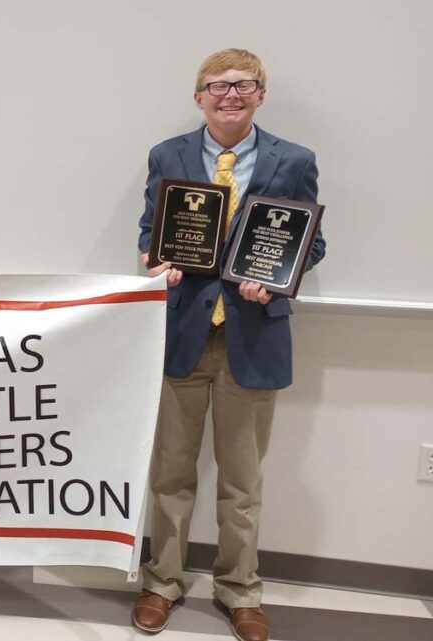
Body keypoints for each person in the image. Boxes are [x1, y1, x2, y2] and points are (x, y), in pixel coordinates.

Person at [133, 49, 325, 641]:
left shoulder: (294, 160)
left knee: (242, 481)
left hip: (253, 335)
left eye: (243, 85)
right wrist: (154, 258)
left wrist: (275, 277)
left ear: (261, 94)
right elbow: (151, 229)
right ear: (200, 97)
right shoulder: (169, 155)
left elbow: (310, 243)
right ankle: (161, 583)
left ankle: (240, 589)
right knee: (170, 473)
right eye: (217, 86)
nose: (230, 95)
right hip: (183, 332)